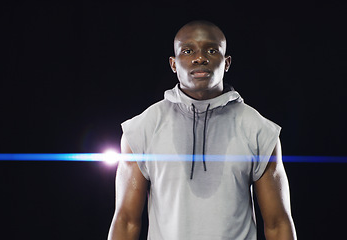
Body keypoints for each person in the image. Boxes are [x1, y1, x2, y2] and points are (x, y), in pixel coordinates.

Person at [108, 20, 297, 240]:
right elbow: (126, 221)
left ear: (226, 63)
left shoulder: (258, 129)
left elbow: (277, 223)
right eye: (188, 51)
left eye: (211, 50)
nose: (200, 58)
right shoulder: (142, 128)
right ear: (173, 63)